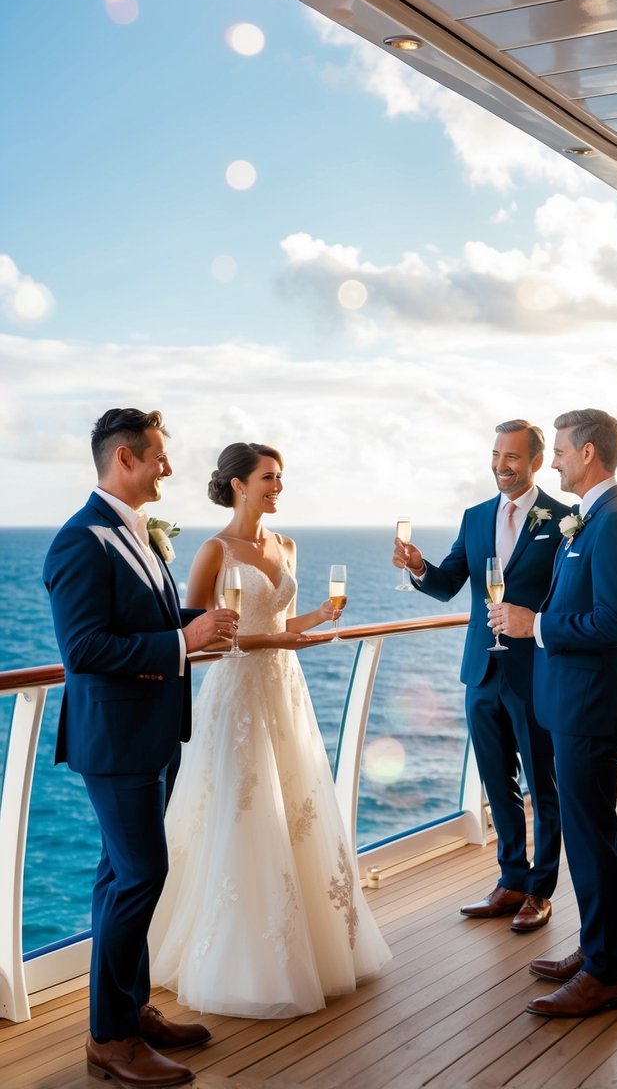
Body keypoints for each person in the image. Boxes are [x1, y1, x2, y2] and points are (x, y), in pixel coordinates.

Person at [149, 442, 391, 1018]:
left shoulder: (287, 545)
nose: (277, 486)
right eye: (268, 478)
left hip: (285, 689)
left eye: (280, 477)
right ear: (238, 484)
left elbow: (283, 621)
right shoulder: (213, 551)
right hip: (237, 697)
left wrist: (319, 619)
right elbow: (202, 634)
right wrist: (275, 639)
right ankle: (235, 960)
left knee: (296, 810)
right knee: (240, 814)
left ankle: (308, 946)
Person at [43, 408, 235, 1089]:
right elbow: (85, 649)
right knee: (140, 877)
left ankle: (130, 1008)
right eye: (159, 457)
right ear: (125, 458)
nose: (168, 469)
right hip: (117, 741)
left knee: (118, 877)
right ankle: (109, 1039)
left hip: (152, 731)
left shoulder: (137, 535)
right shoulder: (79, 541)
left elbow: (143, 617)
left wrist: (197, 623)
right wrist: (186, 640)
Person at [489, 409, 617, 1018]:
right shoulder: (591, 520)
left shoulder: (616, 525)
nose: (552, 459)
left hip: (590, 707)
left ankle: (608, 973)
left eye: (558, 450)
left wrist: (536, 625)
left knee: (592, 841)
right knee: (587, 838)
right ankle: (594, 949)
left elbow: (615, 622)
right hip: (571, 703)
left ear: (588, 454)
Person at [392, 419, 570, 931]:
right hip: (481, 670)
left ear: (535, 461)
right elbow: (448, 584)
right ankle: (510, 880)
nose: (500, 466)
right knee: (497, 782)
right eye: (495, 456)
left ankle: (541, 889)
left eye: (511, 458)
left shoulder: (563, 520)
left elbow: (567, 594)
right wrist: (420, 566)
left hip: (535, 671)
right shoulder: (474, 517)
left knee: (543, 783)